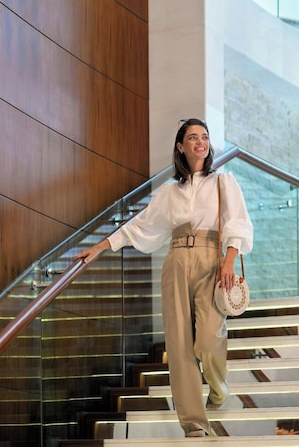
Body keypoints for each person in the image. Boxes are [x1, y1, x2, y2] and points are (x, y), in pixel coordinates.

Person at [75, 118, 254, 438]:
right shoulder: (169, 191)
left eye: (204, 137)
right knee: (180, 345)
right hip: (176, 262)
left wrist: (228, 262)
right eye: (193, 138)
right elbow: (139, 224)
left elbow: (237, 223)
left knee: (208, 339)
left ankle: (219, 386)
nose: (200, 142)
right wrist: (101, 247)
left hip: (212, 261)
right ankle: (194, 424)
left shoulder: (223, 182)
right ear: (181, 146)